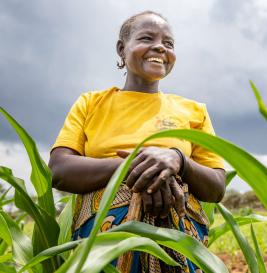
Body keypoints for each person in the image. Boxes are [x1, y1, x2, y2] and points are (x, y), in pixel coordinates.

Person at [48, 10, 226, 273]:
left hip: (180, 243)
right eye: (146, 38)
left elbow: (216, 187)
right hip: (102, 247)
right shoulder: (91, 103)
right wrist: (139, 167)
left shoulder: (194, 111)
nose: (159, 47)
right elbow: (60, 170)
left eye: (169, 43)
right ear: (122, 48)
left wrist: (178, 159)